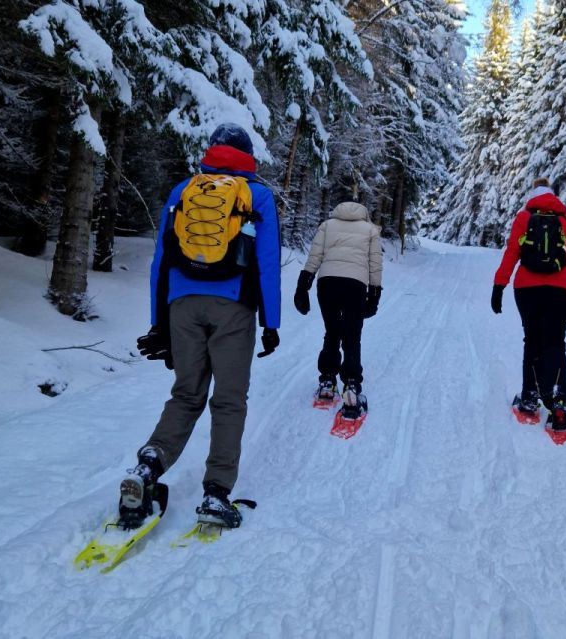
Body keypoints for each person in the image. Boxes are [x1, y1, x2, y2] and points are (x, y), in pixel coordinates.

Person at [128, 123, 281, 529]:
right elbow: (266, 264)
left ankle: (148, 465)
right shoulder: (258, 196)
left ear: (211, 152)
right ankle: (216, 495)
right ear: (248, 156)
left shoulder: (183, 191)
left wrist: (159, 321)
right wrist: (271, 323)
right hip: (233, 308)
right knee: (229, 400)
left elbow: (160, 261)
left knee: (186, 393)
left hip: (181, 305)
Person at [491, 178, 566, 430]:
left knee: (532, 341)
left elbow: (511, 252)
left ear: (533, 194)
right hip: (561, 289)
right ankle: (559, 406)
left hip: (527, 289)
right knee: (556, 344)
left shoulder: (524, 217)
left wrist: (499, 285)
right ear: (553, 195)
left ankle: (530, 400)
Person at [293, 201, 382, 418]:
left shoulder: (327, 225)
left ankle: (327, 381)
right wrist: (374, 294)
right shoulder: (370, 229)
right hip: (355, 285)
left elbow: (315, 256)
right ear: (363, 213)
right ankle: (351, 385)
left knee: (332, 331)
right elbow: (375, 263)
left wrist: (302, 286)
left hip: (328, 283)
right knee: (352, 335)